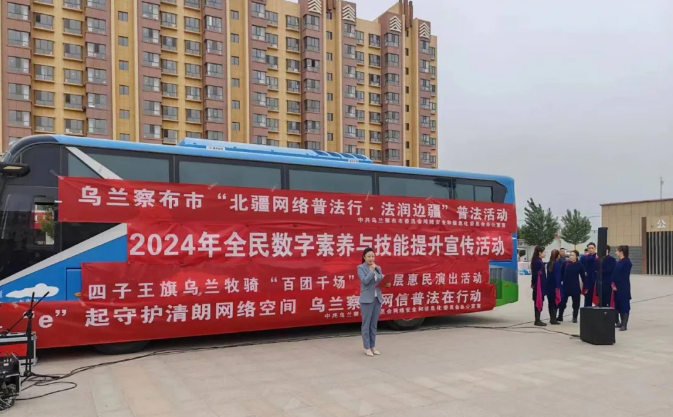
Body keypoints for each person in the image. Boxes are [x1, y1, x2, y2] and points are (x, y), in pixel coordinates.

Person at [357, 247, 386, 356]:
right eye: (369, 256)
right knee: (366, 324)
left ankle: (373, 346)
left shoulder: (378, 268)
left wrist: (386, 282)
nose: (371, 258)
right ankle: (367, 347)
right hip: (366, 300)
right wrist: (372, 271)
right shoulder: (360, 268)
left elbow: (380, 280)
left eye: (373, 256)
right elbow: (365, 281)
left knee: (373, 324)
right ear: (364, 257)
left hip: (377, 298)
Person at [558, 250, 585, 323]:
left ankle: (575, 317)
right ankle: (560, 316)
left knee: (576, 303)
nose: (571, 257)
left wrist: (585, 286)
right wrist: (559, 282)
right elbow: (561, 274)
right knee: (562, 302)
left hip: (575, 286)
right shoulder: (565, 264)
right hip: (565, 286)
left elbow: (583, 277)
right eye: (570, 255)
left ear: (576, 256)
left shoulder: (579, 265)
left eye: (573, 255)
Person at [612, 245, 632, 331]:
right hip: (616, 286)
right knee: (618, 304)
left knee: (624, 305)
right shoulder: (618, 261)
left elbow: (623, 276)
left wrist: (617, 285)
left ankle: (624, 324)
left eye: (617, 251)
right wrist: (613, 283)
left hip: (623, 286)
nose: (615, 252)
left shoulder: (627, 262)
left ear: (621, 252)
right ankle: (620, 323)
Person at [530, 246, 547, 326]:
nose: (545, 253)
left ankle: (538, 319)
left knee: (540, 300)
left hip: (540, 283)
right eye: (544, 252)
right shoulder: (537, 261)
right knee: (538, 300)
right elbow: (534, 274)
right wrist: (534, 283)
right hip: (538, 284)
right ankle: (537, 320)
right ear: (540, 253)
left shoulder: (538, 260)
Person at [546, 249, 563, 325]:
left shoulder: (549, 263)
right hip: (555, 286)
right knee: (555, 302)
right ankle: (553, 319)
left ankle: (551, 318)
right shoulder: (556, 264)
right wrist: (558, 286)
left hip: (549, 286)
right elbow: (557, 277)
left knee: (550, 302)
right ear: (557, 256)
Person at [580, 243, 598, 307]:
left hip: (596, 280)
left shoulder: (598, 257)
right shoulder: (584, 258)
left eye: (592, 248)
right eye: (589, 248)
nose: (590, 249)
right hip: (587, 281)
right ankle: (587, 310)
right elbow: (581, 268)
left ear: (595, 248)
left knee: (596, 298)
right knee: (587, 298)